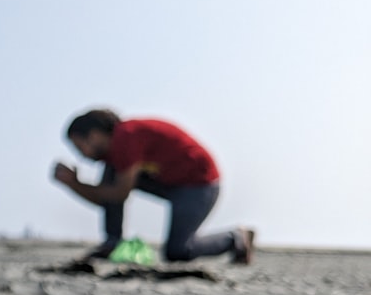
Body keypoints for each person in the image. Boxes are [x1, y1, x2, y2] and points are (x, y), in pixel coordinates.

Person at [52, 108, 254, 264]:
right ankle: (112, 242)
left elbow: (118, 194)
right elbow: (105, 199)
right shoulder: (114, 153)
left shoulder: (126, 137)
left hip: (199, 185)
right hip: (169, 182)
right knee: (112, 172)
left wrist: (74, 183)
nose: (81, 155)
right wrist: (73, 185)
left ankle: (235, 238)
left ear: (94, 136)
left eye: (80, 147)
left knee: (178, 251)